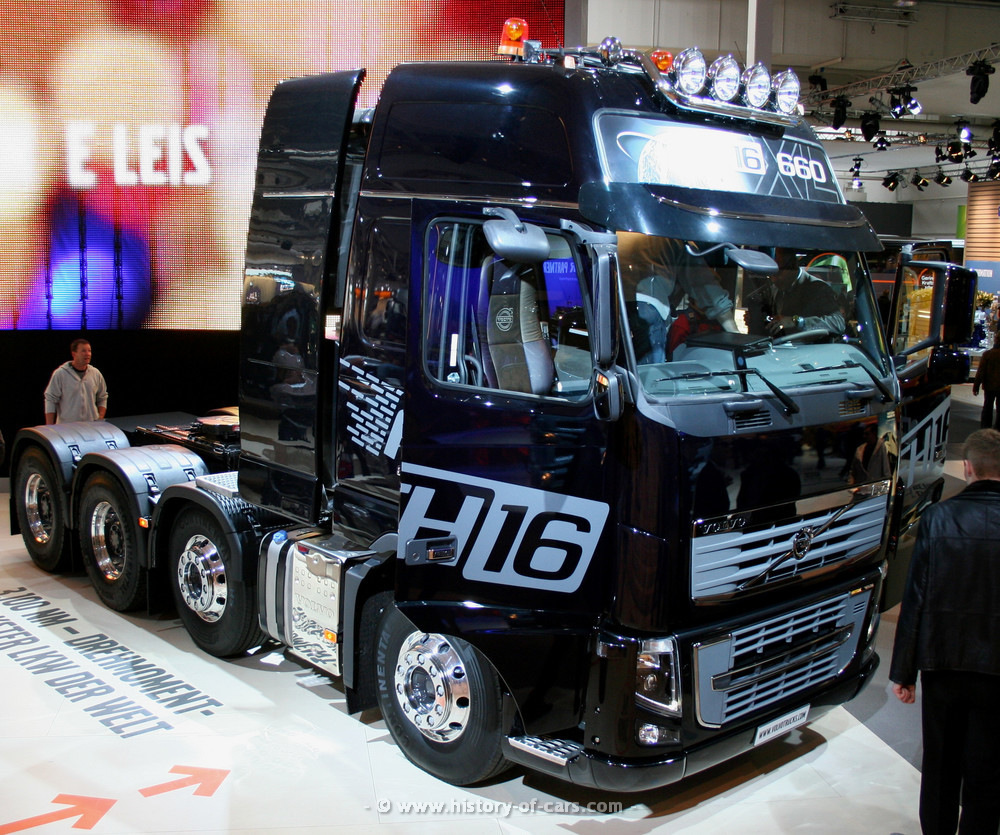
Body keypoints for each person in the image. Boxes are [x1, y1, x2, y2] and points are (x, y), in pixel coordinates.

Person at [889, 428, 1000, 835]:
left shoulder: (938, 518)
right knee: (988, 770)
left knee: (940, 765)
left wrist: (903, 671)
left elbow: (915, 597)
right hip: (997, 671)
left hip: (942, 663)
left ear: (967, 467)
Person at [619, 234, 739, 362]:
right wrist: (736, 336)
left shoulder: (618, 229)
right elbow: (704, 284)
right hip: (649, 307)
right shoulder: (674, 235)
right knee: (649, 370)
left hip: (611, 305)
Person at [763, 248, 846, 337]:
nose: (774, 280)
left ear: (793, 266)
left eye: (778, 274)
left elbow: (838, 323)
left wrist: (798, 322)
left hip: (810, 345)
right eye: (771, 275)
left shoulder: (818, 289)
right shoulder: (775, 288)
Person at [43, 338, 108, 424]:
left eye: (89, 351)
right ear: (74, 354)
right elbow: (50, 399)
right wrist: (49, 427)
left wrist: (100, 419)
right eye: (83, 351)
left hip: (91, 426)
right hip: (67, 427)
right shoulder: (61, 374)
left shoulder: (95, 373)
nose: (87, 354)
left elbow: (103, 397)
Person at [972, 342, 1000, 429]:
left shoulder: (988, 354)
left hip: (989, 385)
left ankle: (986, 427)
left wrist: (976, 386)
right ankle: (998, 428)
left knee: (988, 406)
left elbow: (981, 371)